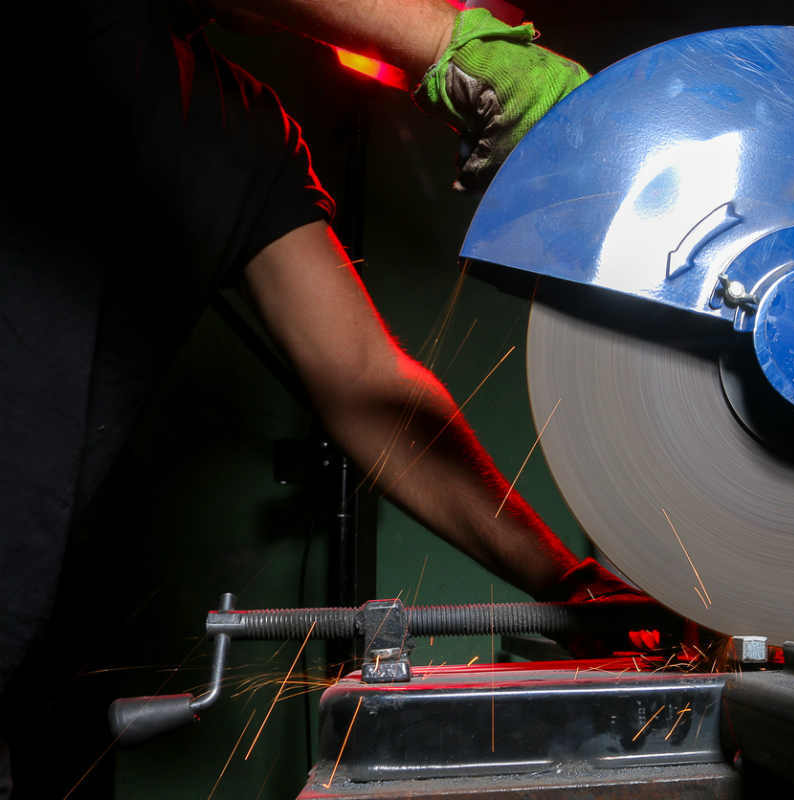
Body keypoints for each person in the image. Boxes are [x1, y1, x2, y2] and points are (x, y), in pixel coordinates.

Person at [0, 0, 630, 795]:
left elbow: (368, 384)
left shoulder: (242, 132)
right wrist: (448, 41)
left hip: (44, 646)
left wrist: (565, 581)